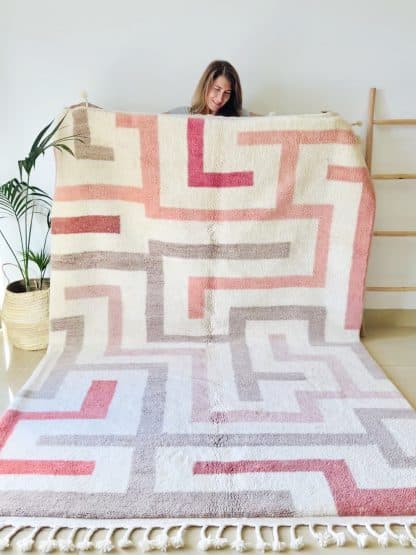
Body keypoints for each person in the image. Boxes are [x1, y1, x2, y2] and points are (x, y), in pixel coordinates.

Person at [167, 60, 251, 117]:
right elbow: (154, 123)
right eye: (217, 89)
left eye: (227, 92)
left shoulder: (237, 115)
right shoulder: (184, 115)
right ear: (205, 85)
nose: (220, 99)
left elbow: (264, 122)